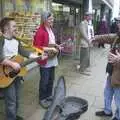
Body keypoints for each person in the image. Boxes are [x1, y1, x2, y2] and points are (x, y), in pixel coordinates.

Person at [0, 17, 42, 120]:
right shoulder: (1, 40)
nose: (16, 28)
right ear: (6, 28)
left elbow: (24, 53)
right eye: (14, 26)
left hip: (16, 74)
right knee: (11, 100)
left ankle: (13, 116)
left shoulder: (16, 40)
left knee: (17, 98)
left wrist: (39, 55)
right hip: (5, 75)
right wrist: (12, 64)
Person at [33, 11, 61, 109]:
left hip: (52, 58)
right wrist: (50, 49)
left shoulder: (50, 29)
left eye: (52, 18)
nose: (52, 20)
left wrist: (56, 45)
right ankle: (42, 98)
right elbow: (36, 47)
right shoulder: (40, 31)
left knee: (51, 79)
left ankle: (48, 95)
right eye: (49, 19)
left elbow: (51, 42)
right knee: (44, 80)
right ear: (44, 20)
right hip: (45, 59)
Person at [95, 17, 120, 120]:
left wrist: (119, 59)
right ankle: (107, 111)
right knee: (107, 92)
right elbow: (107, 36)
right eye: (119, 22)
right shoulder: (118, 36)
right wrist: (95, 37)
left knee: (118, 98)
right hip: (112, 71)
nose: (118, 25)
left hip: (119, 76)